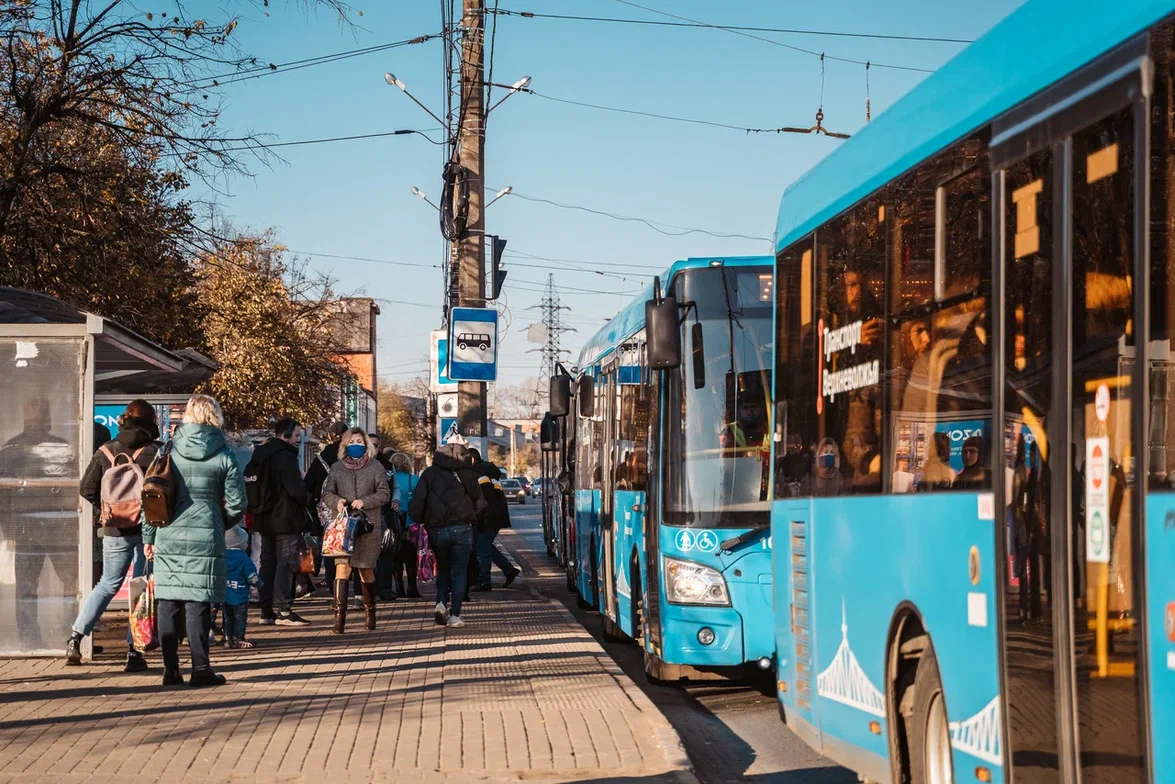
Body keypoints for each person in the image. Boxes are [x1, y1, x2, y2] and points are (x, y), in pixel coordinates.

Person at [143, 394, 246, 688]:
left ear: (187, 415)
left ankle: (170, 670)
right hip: (207, 533)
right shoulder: (225, 454)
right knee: (198, 602)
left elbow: (150, 494)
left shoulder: (167, 450)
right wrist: (219, 520)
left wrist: (149, 537)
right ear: (215, 416)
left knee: (168, 601)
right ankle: (201, 669)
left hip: (168, 531)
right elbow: (238, 503)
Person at [67, 400, 161, 670]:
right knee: (141, 588)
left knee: (107, 584)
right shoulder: (156, 451)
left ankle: (75, 638)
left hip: (114, 527)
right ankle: (134, 651)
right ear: (150, 421)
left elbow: (86, 488)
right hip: (147, 531)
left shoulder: (106, 451)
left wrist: (107, 508)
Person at [0, 396, 74, 652]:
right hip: (43, 526)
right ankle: (62, 633)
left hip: (41, 526)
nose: (41, 417)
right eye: (38, 412)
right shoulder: (15, 449)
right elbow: (4, 494)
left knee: (43, 583)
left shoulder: (14, 448)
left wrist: (9, 530)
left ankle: (49, 634)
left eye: (42, 412)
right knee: (35, 583)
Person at [408, 442, 484, 628]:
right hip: (463, 529)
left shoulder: (430, 474)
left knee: (443, 569)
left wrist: (422, 519)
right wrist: (472, 519)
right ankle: (455, 616)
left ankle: (441, 603)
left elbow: (418, 502)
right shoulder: (469, 475)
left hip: (437, 530)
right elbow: (481, 503)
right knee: (459, 572)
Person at [321, 428, 390, 633]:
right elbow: (326, 493)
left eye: (360, 441)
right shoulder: (336, 468)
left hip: (368, 526)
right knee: (342, 569)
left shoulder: (375, 466)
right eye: (352, 441)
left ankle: (370, 613)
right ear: (345, 444)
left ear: (366, 444)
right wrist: (338, 502)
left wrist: (364, 501)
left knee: (365, 569)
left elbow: (384, 493)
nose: (356, 444)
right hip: (344, 527)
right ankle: (339, 617)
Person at [249, 417, 312, 627]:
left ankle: (266, 611)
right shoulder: (285, 456)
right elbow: (295, 489)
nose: (297, 440)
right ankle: (284, 610)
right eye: (295, 435)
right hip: (285, 518)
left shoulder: (261, 454)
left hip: (263, 517)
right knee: (285, 562)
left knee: (267, 563)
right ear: (285, 435)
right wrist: (308, 498)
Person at [469, 448, 521, 592]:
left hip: (487, 518)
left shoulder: (478, 474)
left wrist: (479, 517)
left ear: (472, 459)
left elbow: (483, 500)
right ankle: (509, 570)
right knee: (485, 547)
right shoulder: (489, 470)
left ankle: (485, 582)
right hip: (496, 517)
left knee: (482, 550)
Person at [389, 452, 421, 598]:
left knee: (395, 557)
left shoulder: (390, 479)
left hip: (394, 525)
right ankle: (412, 588)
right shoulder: (413, 480)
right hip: (411, 523)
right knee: (411, 558)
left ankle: (399, 587)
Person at [222, 525, 260, 648]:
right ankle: (239, 637)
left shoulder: (221, 557)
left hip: (225, 594)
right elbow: (251, 576)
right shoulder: (244, 559)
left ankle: (228, 637)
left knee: (228, 617)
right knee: (240, 617)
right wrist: (258, 583)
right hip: (240, 594)